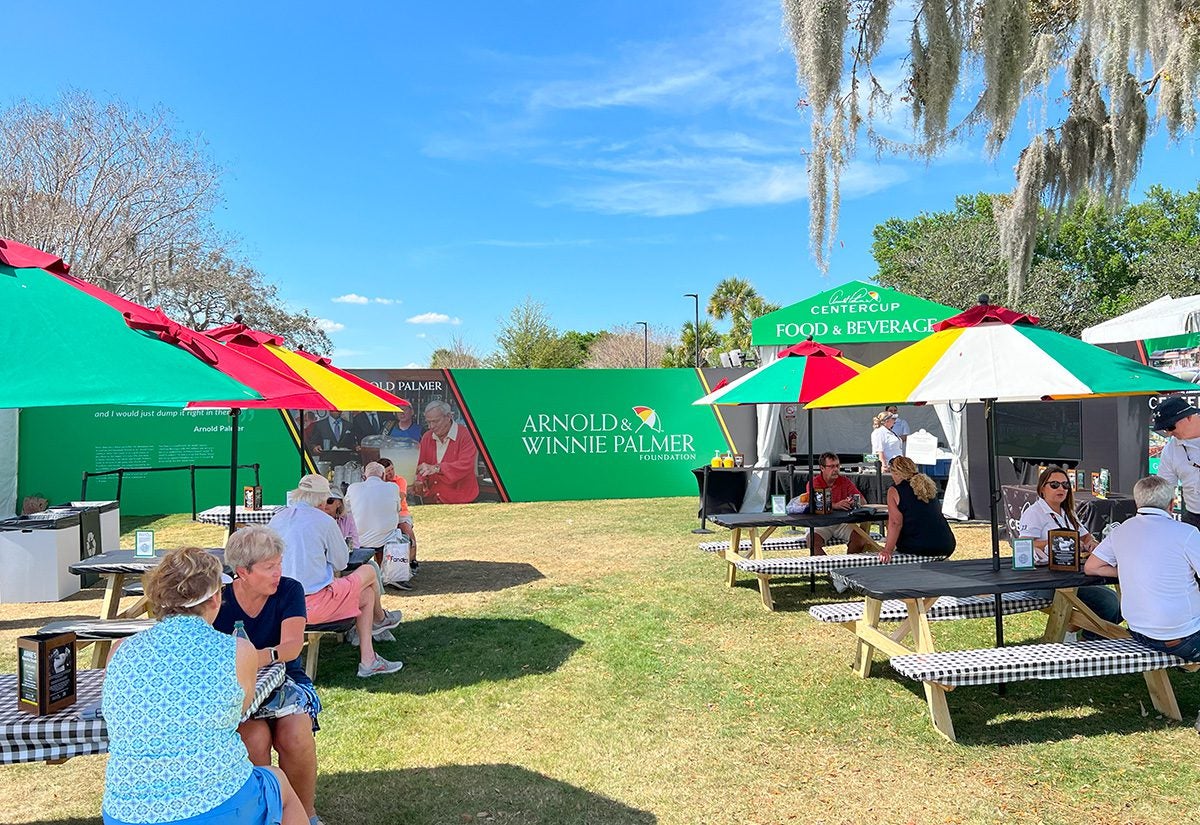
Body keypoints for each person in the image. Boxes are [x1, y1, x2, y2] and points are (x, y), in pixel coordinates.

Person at [101, 547, 307, 825]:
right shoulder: (238, 651)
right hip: (216, 803)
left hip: (124, 812)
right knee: (279, 783)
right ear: (215, 597)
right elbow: (239, 713)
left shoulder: (120, 649)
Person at [214, 527, 324, 825]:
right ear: (243, 572)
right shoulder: (219, 601)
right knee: (254, 738)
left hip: (287, 679)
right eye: (269, 567)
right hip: (240, 689)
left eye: (279, 564)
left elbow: (292, 646)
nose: (278, 573)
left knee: (295, 734)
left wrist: (255, 657)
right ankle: (267, 816)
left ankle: (306, 814)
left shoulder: (289, 589)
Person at [269, 474, 403, 677]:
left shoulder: (277, 519)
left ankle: (369, 659)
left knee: (367, 594)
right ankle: (380, 620)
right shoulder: (324, 521)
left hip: (278, 604)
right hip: (312, 605)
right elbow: (341, 562)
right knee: (369, 570)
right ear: (322, 499)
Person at [1085, 475, 1200, 660]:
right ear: (1172, 505)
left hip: (1139, 631)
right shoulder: (1187, 533)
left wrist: (1129, 570)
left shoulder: (1120, 530)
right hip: (1183, 636)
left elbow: (1092, 566)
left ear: (1137, 503)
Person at [1018, 465, 1121, 632]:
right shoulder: (1034, 513)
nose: (1061, 489)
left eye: (1066, 485)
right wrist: (1060, 541)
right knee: (1110, 603)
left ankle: (1088, 637)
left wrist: (1091, 543)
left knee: (1119, 602)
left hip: (1071, 575)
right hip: (1047, 580)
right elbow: (1024, 545)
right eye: (1054, 485)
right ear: (1042, 488)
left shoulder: (1068, 512)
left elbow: (1085, 537)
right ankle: (1090, 639)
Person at [878, 456, 955, 562]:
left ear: (895, 473)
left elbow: (895, 523)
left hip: (918, 545)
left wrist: (887, 550)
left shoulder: (894, 490)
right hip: (946, 544)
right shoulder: (928, 486)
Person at [415, 399, 480, 504]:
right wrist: (420, 481)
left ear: (449, 416)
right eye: (428, 422)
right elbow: (421, 465)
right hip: (432, 501)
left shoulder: (466, 435)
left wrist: (436, 468)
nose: (431, 426)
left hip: (460, 501)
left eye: (435, 421)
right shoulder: (427, 437)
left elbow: (466, 464)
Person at [807, 452, 869, 555]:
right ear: (822, 468)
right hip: (821, 522)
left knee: (860, 539)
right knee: (812, 542)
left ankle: (849, 564)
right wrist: (836, 505)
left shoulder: (845, 481)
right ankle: (827, 565)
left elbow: (863, 501)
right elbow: (815, 503)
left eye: (837, 466)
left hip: (843, 522)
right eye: (831, 466)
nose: (836, 469)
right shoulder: (815, 482)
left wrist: (853, 501)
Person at [1152, 396, 1200, 529]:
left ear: (1188, 416)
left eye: (1170, 427)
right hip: (1193, 516)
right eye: (1165, 429)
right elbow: (1165, 487)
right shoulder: (1170, 449)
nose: (1169, 433)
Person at [344, 462, 403, 567]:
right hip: (386, 538)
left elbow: (346, 510)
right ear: (383, 475)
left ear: (364, 476)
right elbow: (398, 508)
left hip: (359, 539)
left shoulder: (353, 488)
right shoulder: (393, 487)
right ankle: (385, 569)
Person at [379, 457, 419, 571]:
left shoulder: (400, 480)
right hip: (384, 515)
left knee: (407, 531)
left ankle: (412, 560)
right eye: (388, 471)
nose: (391, 473)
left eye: (392, 469)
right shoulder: (378, 484)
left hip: (401, 513)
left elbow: (400, 497)